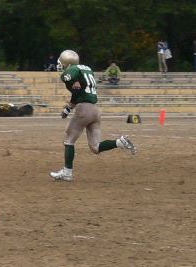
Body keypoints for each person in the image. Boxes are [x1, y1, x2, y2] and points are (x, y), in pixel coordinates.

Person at [49, 49, 136, 180]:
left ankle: (67, 173)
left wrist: (70, 106)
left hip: (84, 109)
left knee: (69, 140)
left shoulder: (71, 71)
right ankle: (120, 142)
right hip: (95, 110)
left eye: (62, 62)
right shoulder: (86, 69)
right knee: (95, 147)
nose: (60, 65)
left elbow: (77, 88)